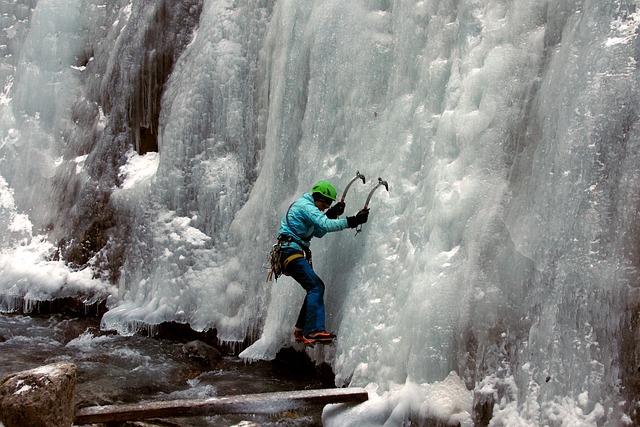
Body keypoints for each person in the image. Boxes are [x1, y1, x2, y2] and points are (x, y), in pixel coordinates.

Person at [276, 180, 369, 345]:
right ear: (318, 197)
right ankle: (313, 331)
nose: (325, 207)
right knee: (316, 287)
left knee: (313, 287)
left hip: (289, 252)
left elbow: (318, 231)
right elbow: (324, 224)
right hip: (290, 252)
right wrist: (352, 221)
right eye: (325, 203)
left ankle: (300, 330)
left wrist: (332, 214)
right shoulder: (305, 205)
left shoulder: (307, 207)